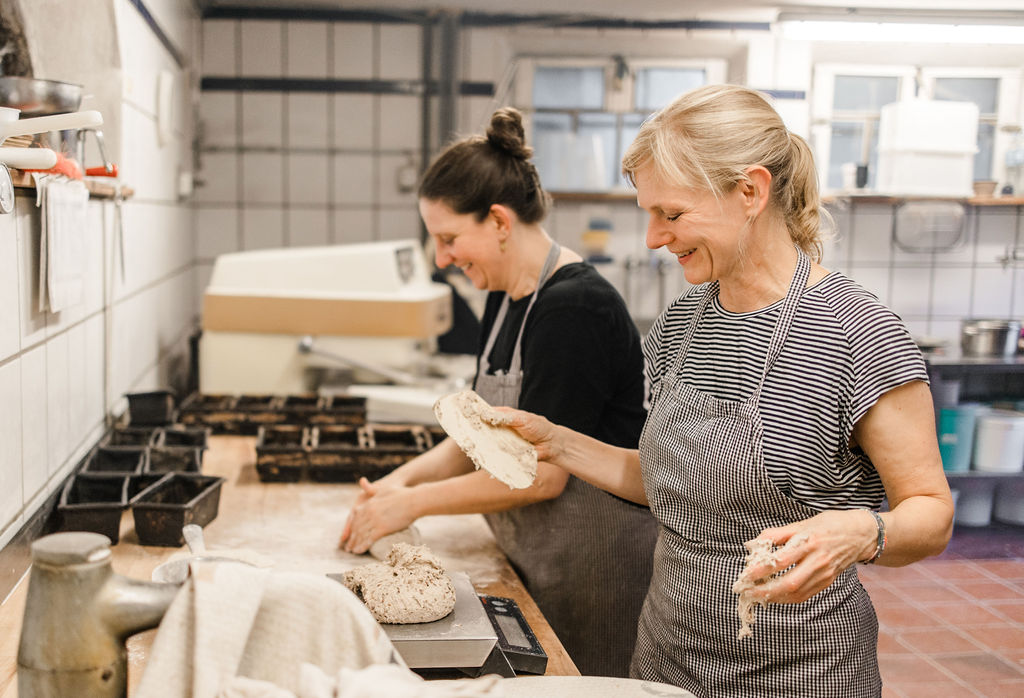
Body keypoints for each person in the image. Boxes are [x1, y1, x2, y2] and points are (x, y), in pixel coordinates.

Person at [491, 85, 955, 696]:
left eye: (673, 214)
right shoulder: (682, 323)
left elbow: (931, 512)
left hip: (801, 673)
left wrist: (859, 533)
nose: (654, 238)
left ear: (751, 192)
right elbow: (669, 484)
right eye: (648, 213)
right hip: (664, 656)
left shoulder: (856, 331)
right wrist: (557, 443)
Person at [339, 107, 659, 678]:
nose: (443, 260)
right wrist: (399, 481)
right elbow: (479, 433)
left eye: (449, 238)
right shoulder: (506, 294)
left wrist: (411, 505)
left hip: (591, 567)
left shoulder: (574, 307)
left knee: (578, 683)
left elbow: (541, 475)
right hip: (536, 555)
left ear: (499, 222)